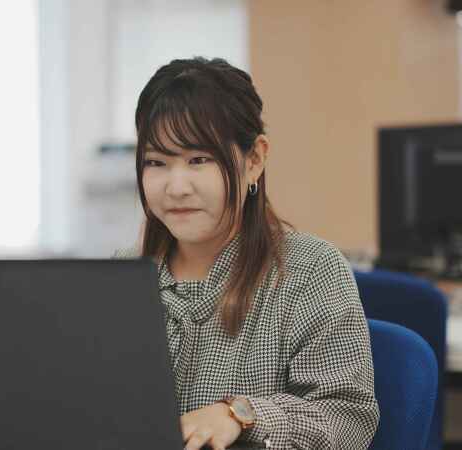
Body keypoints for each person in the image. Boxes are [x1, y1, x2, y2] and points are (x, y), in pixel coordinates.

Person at [113, 57, 379, 450]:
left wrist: (240, 415)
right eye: (156, 162)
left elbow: (347, 417)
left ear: (254, 160)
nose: (176, 187)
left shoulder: (310, 270)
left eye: (199, 160)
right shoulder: (121, 275)